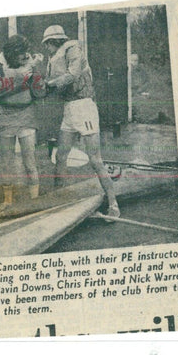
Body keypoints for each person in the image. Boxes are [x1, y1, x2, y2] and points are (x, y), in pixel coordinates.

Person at [42, 25, 120, 219]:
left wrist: (48, 85)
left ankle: (113, 203)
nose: (46, 49)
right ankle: (58, 201)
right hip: (69, 109)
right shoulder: (54, 59)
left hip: (84, 107)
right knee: (60, 157)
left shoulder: (73, 50)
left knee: (95, 160)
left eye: (47, 45)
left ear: (54, 42)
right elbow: (52, 83)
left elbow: (72, 76)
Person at [0, 34, 41, 215]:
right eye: (21, 53)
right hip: (5, 115)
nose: (25, 56)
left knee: (30, 160)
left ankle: (35, 201)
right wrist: (22, 75)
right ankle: (8, 201)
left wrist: (31, 73)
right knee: (6, 162)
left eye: (26, 52)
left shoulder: (29, 64)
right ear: (12, 53)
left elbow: (39, 89)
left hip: (26, 114)